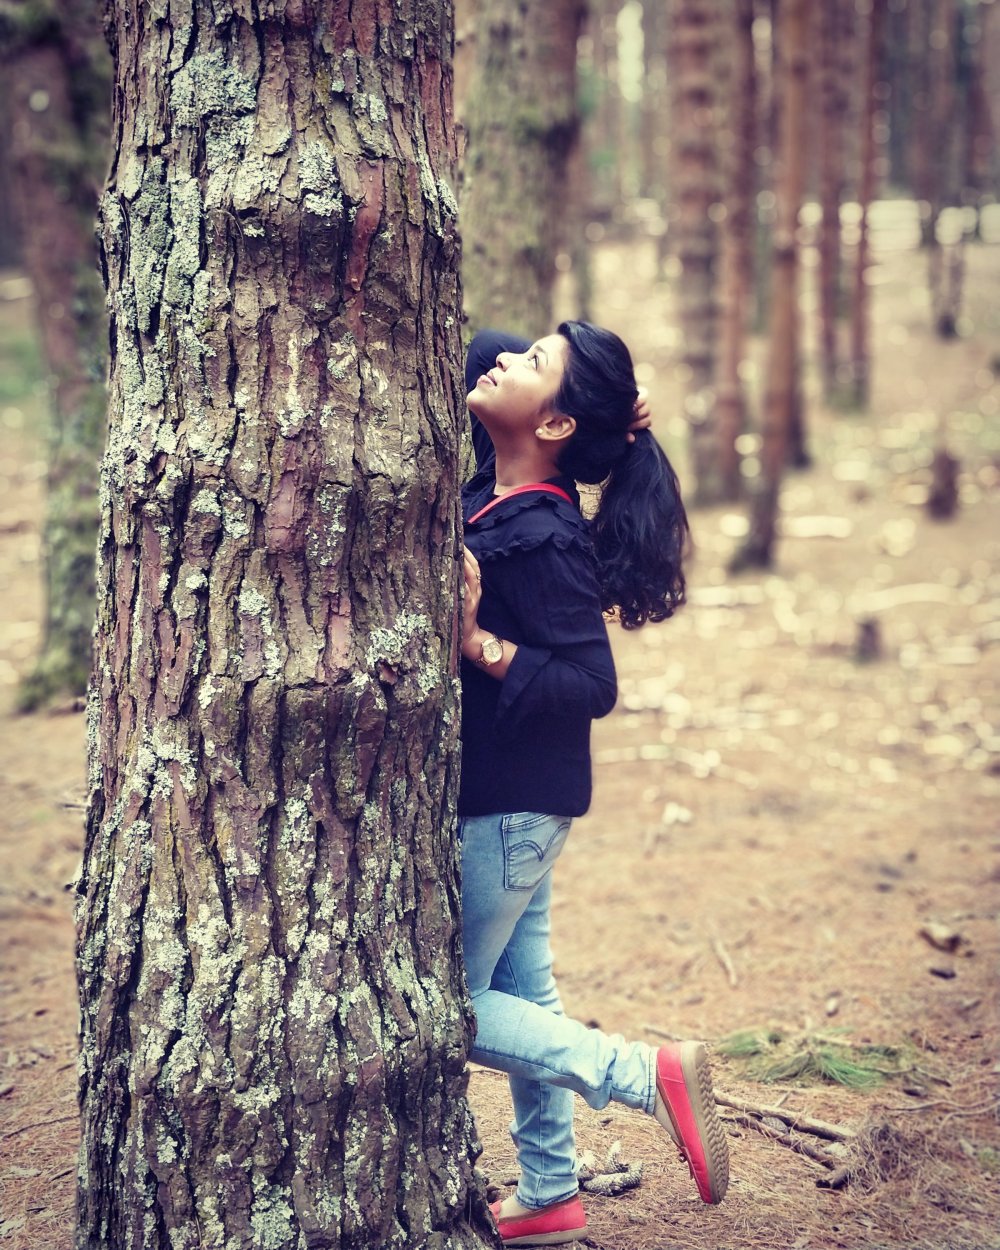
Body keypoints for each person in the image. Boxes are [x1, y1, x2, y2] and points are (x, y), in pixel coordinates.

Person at [458, 324, 730, 1247]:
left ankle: (642, 1076)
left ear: (558, 423)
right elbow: (481, 353)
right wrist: (602, 413)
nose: (500, 363)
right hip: (516, 806)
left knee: (439, 1004)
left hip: (508, 813)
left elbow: (591, 684)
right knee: (523, 998)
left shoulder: (542, 530)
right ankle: (550, 1192)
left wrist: (478, 647)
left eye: (532, 365)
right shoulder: (506, 486)